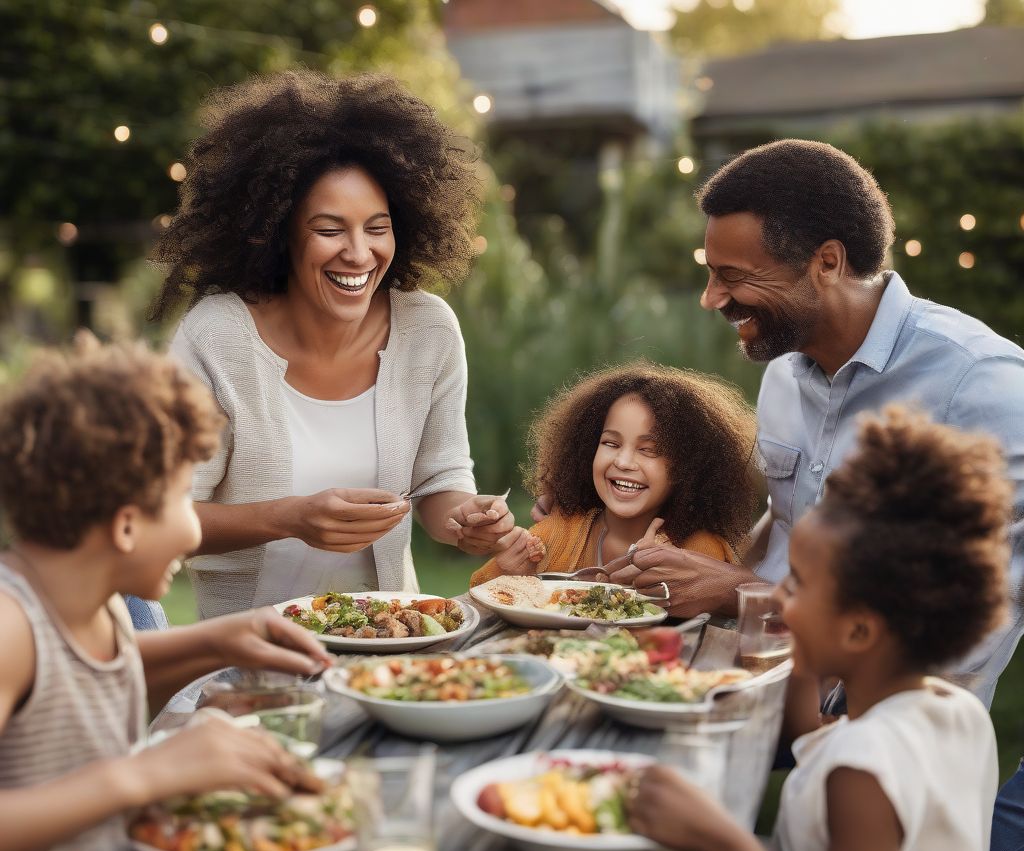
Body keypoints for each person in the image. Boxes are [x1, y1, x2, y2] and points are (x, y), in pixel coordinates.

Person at [607, 139, 1023, 711]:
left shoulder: (980, 384)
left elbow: (981, 595)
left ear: (827, 262)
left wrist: (744, 594)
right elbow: (785, 516)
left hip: (893, 714)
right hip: (764, 674)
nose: (711, 299)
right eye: (710, 274)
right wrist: (698, 560)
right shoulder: (784, 367)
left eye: (733, 277)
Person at [628, 406, 1008, 851]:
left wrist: (725, 842)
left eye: (797, 586)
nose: (776, 597)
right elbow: (817, 743)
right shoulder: (950, 713)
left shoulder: (863, 774)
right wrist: (803, 657)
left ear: (859, 630)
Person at [153, 70, 515, 619]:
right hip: (247, 661)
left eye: (377, 227)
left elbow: (440, 481)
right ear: (278, 233)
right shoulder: (218, 335)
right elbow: (162, 516)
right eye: (329, 229)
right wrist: (288, 518)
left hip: (390, 644)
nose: (359, 253)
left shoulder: (428, 328)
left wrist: (467, 521)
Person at [0, 345, 335, 851]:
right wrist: (146, 773)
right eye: (184, 498)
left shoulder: (97, 604)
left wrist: (217, 640)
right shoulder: (10, 626)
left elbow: (83, 681)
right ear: (126, 526)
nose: (194, 529)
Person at [470, 361, 759, 585]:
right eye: (610, 443)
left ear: (689, 468)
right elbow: (475, 601)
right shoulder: (555, 533)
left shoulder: (698, 550)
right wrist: (509, 574)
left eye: (648, 450)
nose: (623, 461)